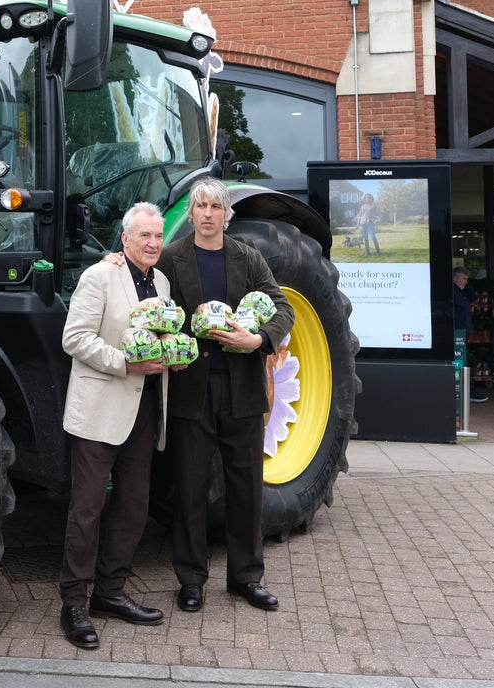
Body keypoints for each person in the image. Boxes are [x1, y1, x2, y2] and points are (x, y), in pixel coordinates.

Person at [157, 178, 293, 613]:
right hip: (191, 389)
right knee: (191, 488)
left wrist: (258, 341)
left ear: (226, 214)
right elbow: (147, 300)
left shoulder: (248, 258)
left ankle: (246, 578)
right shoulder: (172, 258)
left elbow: (283, 307)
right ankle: (192, 580)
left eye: (217, 206)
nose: (209, 214)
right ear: (192, 213)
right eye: (202, 206)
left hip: (243, 389)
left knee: (246, 487)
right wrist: (116, 260)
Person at [57, 202, 172, 650]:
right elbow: (75, 338)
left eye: (158, 236)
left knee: (132, 506)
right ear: (124, 239)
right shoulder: (100, 276)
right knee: (86, 509)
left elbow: (160, 338)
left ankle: (110, 592)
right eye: (144, 235)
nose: (153, 243)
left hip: (144, 410)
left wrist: (171, 358)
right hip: (100, 409)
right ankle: (73, 604)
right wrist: (127, 363)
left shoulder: (160, 282)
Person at [453, 266, 487, 403]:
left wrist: (467, 284)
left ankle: (467, 391)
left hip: (463, 331)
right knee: (463, 362)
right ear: (455, 279)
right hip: (457, 333)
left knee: (464, 361)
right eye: (463, 279)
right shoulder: (452, 292)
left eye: (467, 279)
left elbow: (473, 297)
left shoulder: (461, 292)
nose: (465, 282)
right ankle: (468, 391)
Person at [356, 192, 380, 256]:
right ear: (364, 199)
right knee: (365, 238)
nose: (367, 199)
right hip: (363, 223)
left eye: (369, 198)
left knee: (373, 237)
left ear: (371, 198)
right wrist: (357, 225)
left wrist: (376, 220)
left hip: (370, 223)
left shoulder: (374, 206)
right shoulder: (362, 206)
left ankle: (378, 252)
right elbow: (360, 216)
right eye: (366, 198)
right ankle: (367, 252)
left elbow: (378, 215)